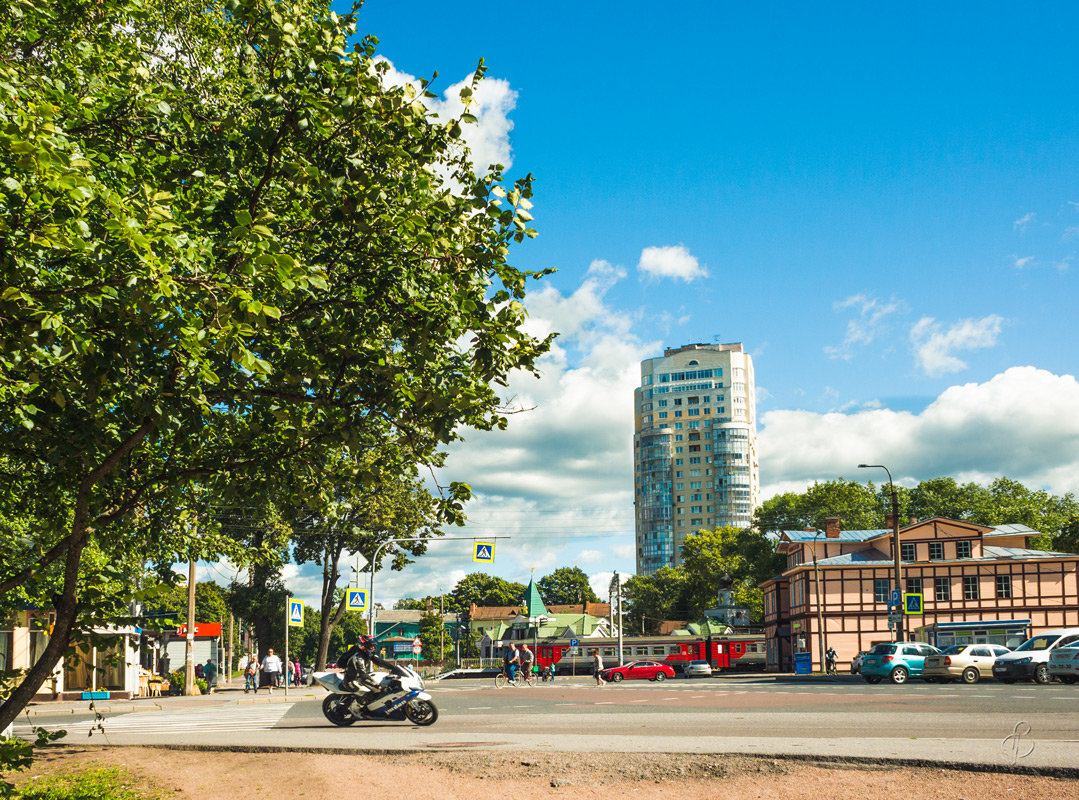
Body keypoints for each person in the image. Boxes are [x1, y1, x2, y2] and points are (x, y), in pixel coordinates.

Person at [339, 635, 396, 707]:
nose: (373, 647)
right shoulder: (358, 658)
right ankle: (357, 710)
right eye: (370, 645)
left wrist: (393, 668)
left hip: (360, 678)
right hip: (352, 681)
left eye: (373, 645)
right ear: (363, 646)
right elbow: (363, 675)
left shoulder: (367, 653)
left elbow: (379, 661)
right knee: (368, 695)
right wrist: (378, 686)